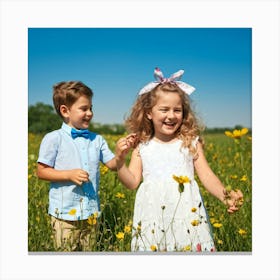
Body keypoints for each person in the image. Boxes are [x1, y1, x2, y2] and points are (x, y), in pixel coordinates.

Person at [116, 68, 243, 252]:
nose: (171, 115)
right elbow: (132, 182)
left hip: (187, 217)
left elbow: (207, 176)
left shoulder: (190, 143)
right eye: (164, 109)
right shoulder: (142, 146)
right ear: (149, 113)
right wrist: (120, 161)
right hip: (153, 218)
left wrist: (225, 196)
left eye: (177, 110)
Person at [37, 81, 116, 251]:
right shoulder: (53, 138)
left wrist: (122, 153)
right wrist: (68, 175)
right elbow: (41, 172)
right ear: (65, 111)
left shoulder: (97, 140)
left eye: (91, 108)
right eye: (84, 109)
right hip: (65, 215)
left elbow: (113, 164)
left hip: (91, 213)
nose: (90, 113)